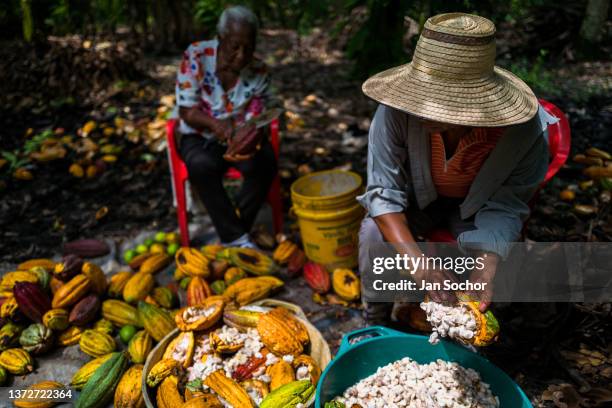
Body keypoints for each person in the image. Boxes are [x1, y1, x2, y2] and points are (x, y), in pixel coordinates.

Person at [357, 13, 558, 323]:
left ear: (473, 104)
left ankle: (467, 328)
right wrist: (419, 265)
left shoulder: (522, 132)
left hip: (478, 207)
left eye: (439, 102)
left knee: (494, 283)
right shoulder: (397, 113)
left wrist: (487, 262)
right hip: (418, 197)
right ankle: (376, 317)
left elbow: (508, 203)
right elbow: (384, 192)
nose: (423, 109)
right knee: (372, 232)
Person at [175, 5, 276, 248]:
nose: (241, 56)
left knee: (265, 164)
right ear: (221, 39)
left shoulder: (260, 70)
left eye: (248, 48)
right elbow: (187, 111)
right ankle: (237, 237)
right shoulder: (196, 56)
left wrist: (250, 131)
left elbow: (258, 114)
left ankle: (234, 231)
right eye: (234, 47)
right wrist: (217, 126)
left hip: (241, 136)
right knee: (200, 165)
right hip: (200, 135)